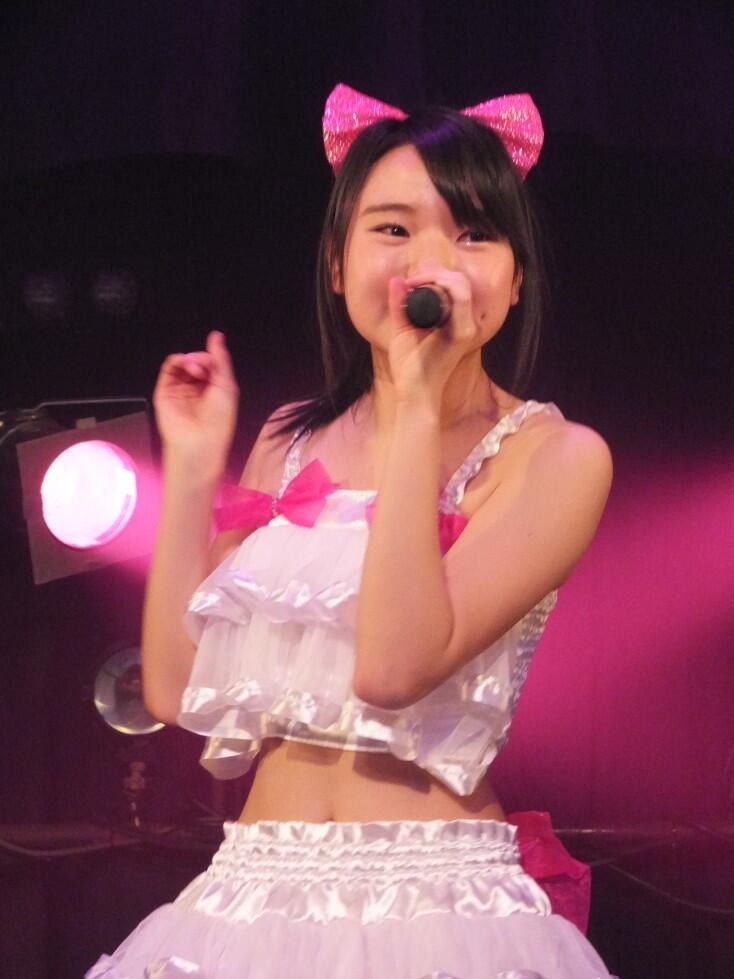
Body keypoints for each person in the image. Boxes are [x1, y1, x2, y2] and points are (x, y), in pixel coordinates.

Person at [87, 85, 615, 978]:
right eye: (394, 228)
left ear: (516, 278)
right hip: (250, 900)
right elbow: (177, 689)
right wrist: (192, 465)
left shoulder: (556, 456)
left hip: (436, 906)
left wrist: (415, 398)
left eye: (474, 233)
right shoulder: (289, 440)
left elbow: (393, 668)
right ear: (337, 264)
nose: (431, 261)